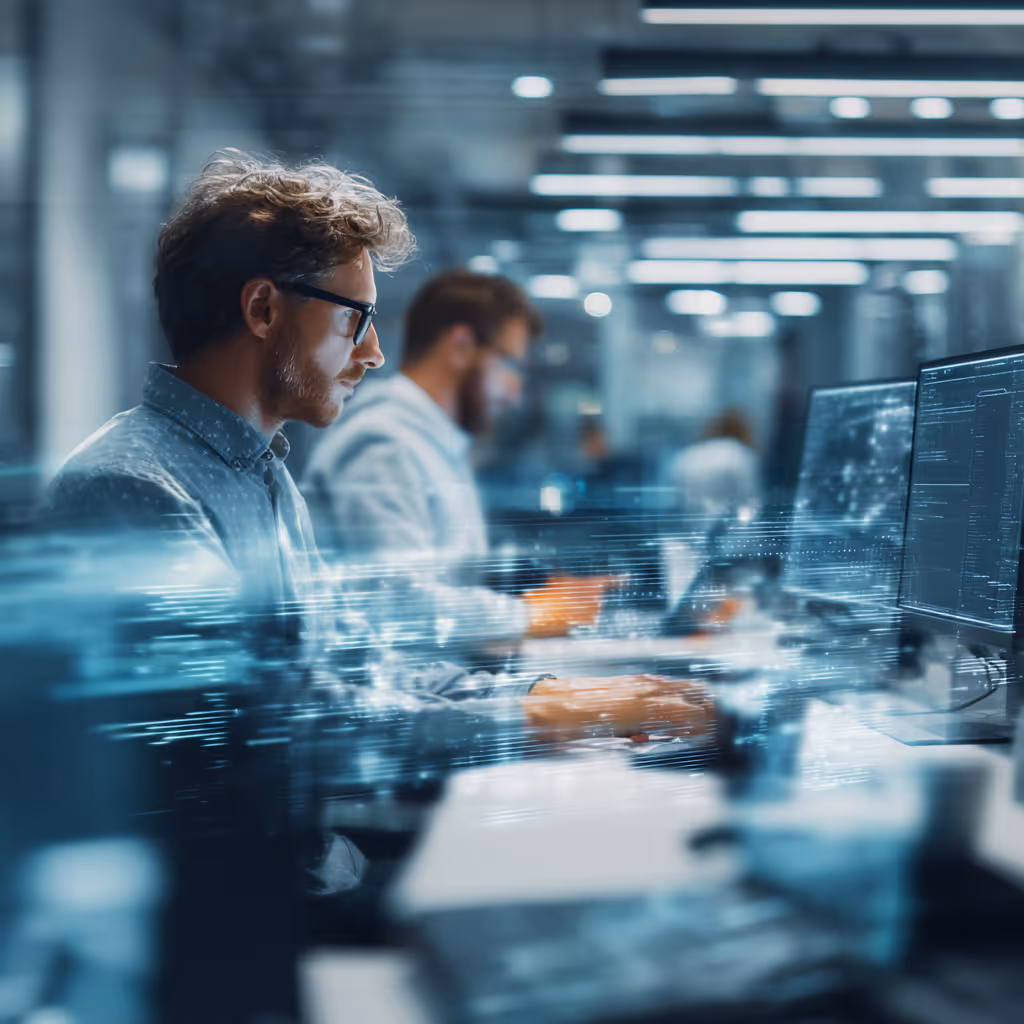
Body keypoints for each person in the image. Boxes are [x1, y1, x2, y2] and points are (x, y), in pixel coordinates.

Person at [39, 152, 712, 1022]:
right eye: (356, 319)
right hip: (229, 931)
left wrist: (547, 694)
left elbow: (353, 665)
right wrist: (527, 720)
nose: (375, 352)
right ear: (262, 308)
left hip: (308, 875)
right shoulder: (132, 491)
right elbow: (274, 735)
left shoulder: (260, 472)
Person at [302, 270, 617, 645]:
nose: (515, 394)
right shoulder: (385, 443)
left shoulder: (431, 443)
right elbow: (396, 605)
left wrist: (543, 587)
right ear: (461, 346)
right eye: (511, 366)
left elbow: (445, 576)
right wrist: (532, 614)